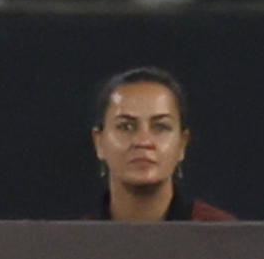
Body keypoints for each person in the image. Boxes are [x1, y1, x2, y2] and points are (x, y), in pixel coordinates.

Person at [87, 67, 235, 222]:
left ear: (182, 144)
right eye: (126, 126)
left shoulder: (223, 234)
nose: (143, 141)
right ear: (99, 142)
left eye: (160, 127)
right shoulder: (74, 242)